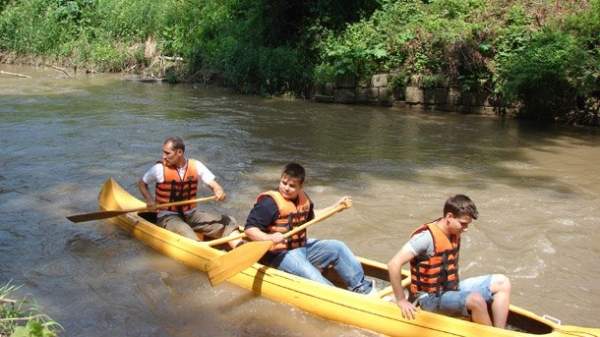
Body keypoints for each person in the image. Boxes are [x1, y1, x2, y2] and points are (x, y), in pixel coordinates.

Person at [244, 162, 373, 294]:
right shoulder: (268, 203)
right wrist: (268, 237)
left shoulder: (304, 200)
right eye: (284, 183)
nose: (286, 188)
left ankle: (363, 289)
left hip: (301, 248)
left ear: (301, 186)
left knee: (337, 247)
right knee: (311, 275)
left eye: (292, 186)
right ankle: (336, 296)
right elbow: (250, 229)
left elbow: (312, 216)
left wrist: (335, 207)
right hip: (278, 255)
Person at [387, 194, 511, 328]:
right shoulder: (425, 238)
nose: (466, 229)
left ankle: (500, 332)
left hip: (450, 289)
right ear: (449, 217)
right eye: (463, 224)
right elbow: (393, 264)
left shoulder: (454, 232)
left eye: (468, 224)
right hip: (429, 299)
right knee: (476, 300)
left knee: (502, 282)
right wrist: (401, 300)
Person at [138, 136, 241, 248]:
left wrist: (218, 190)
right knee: (187, 233)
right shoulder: (158, 169)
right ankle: (203, 251)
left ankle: (240, 247)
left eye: (167, 153)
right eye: (163, 152)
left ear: (179, 152)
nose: (164, 156)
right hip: (167, 217)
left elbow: (212, 183)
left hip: (191, 214)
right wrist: (149, 200)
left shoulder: (195, 165)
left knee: (228, 222)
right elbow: (142, 183)